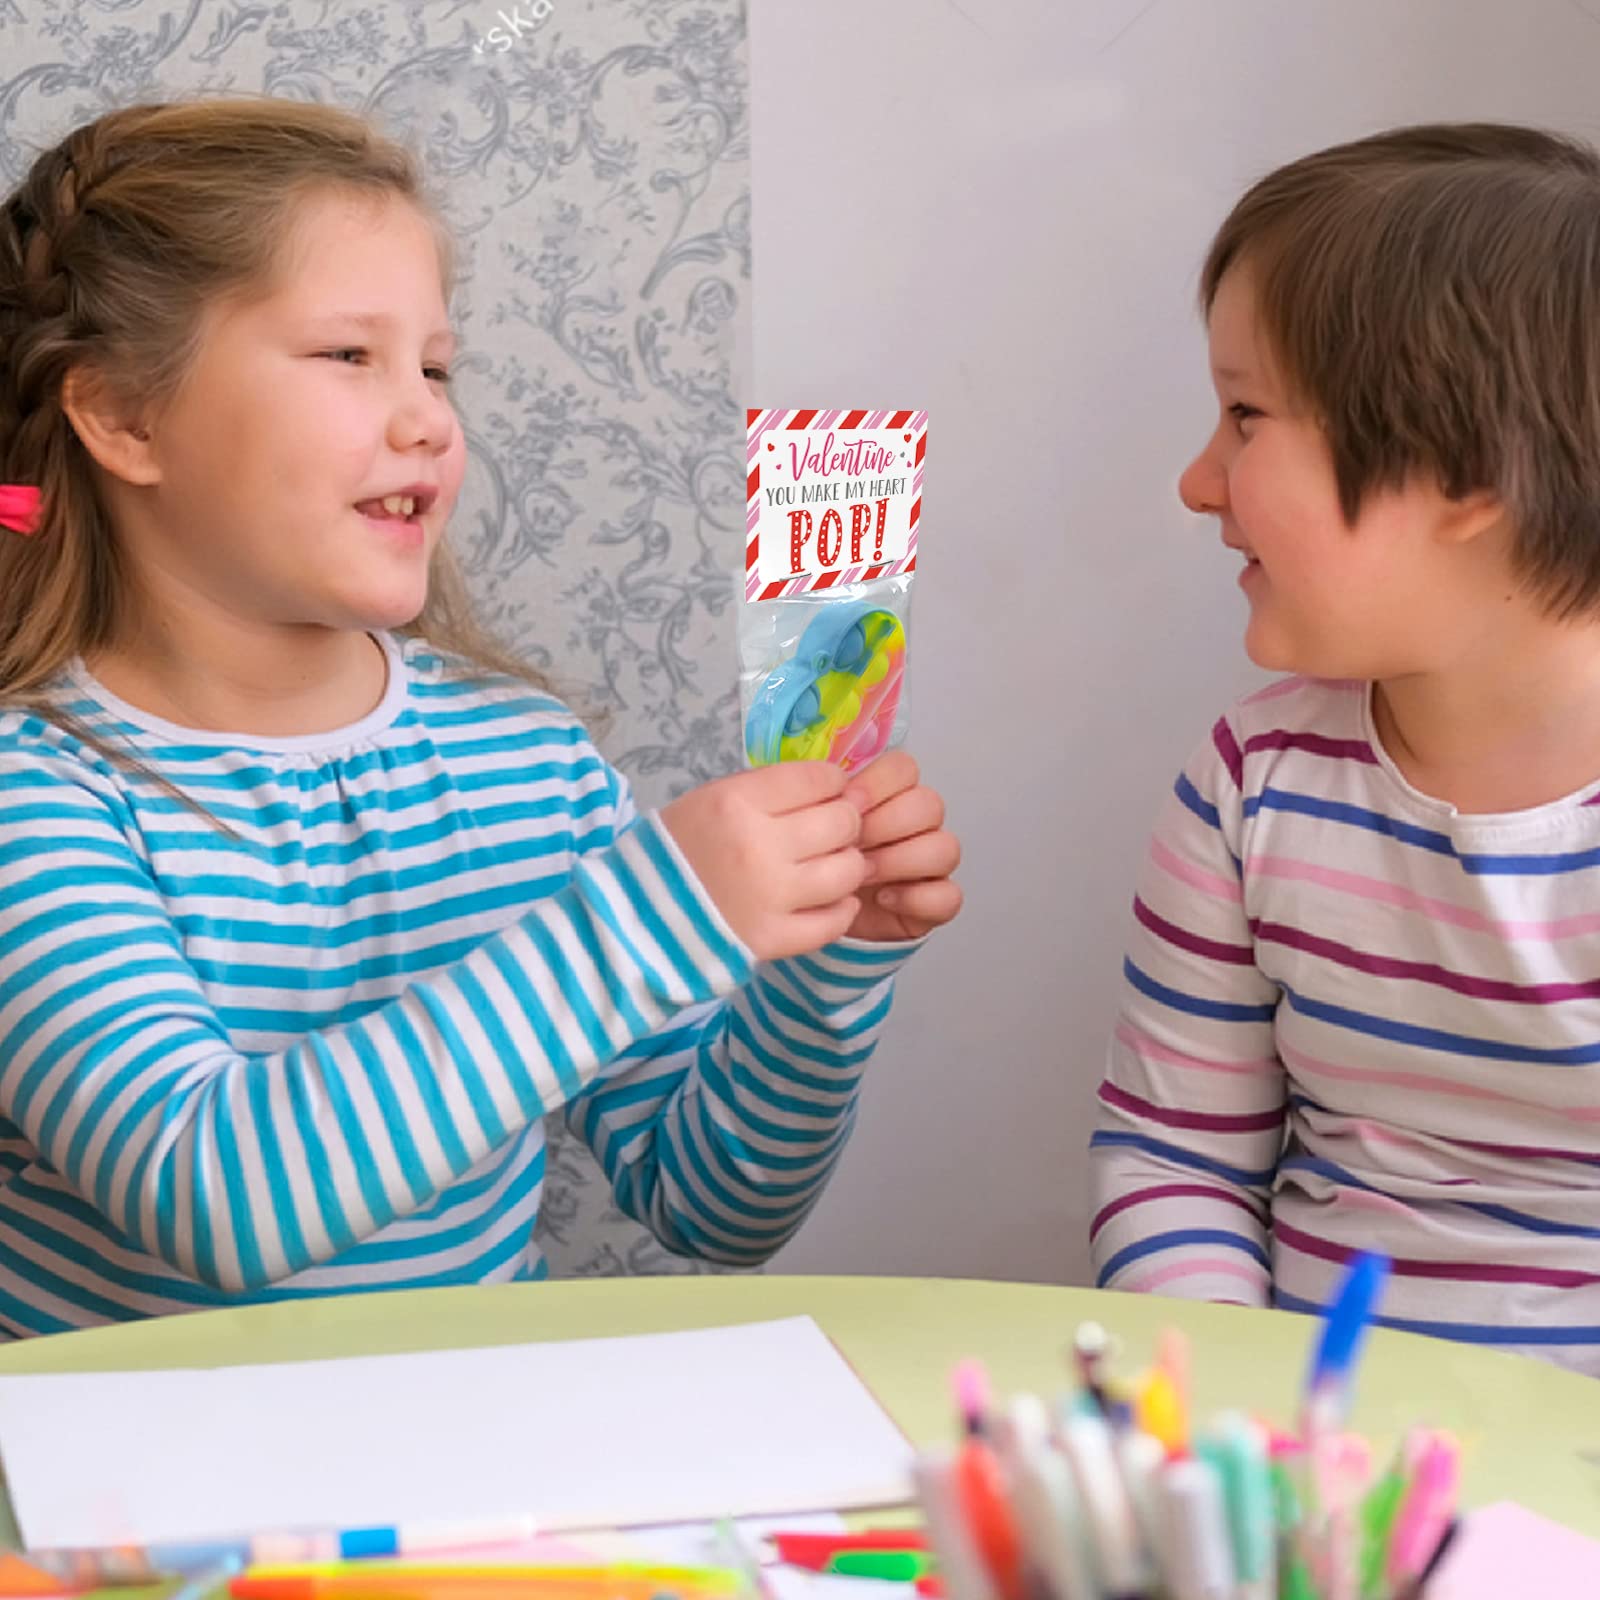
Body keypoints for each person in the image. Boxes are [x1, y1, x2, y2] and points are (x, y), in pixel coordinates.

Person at [0, 94, 962, 1335]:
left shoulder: (528, 764)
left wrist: (822, 975)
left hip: (475, 1453)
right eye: (349, 356)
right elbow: (216, 1196)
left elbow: (713, 1202)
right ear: (124, 415)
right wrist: (661, 914)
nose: (429, 419)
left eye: (436, 366)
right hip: (132, 1464)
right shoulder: (36, 788)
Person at [1089, 122, 1600, 1375]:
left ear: (1465, 470)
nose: (1197, 481)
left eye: (1245, 417)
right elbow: (1172, 1160)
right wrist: (1238, 1401)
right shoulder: (1249, 784)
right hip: (1310, 1452)